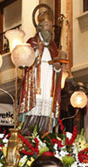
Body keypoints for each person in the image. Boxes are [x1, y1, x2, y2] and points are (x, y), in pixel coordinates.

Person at [18, 4, 62, 135]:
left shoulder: (54, 46)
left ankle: (45, 133)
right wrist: (39, 52)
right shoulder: (32, 42)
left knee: (46, 109)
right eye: (46, 27)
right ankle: (29, 132)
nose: (49, 30)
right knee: (35, 109)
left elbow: (57, 67)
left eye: (50, 28)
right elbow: (28, 63)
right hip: (36, 80)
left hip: (48, 84)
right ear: (40, 27)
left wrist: (58, 68)